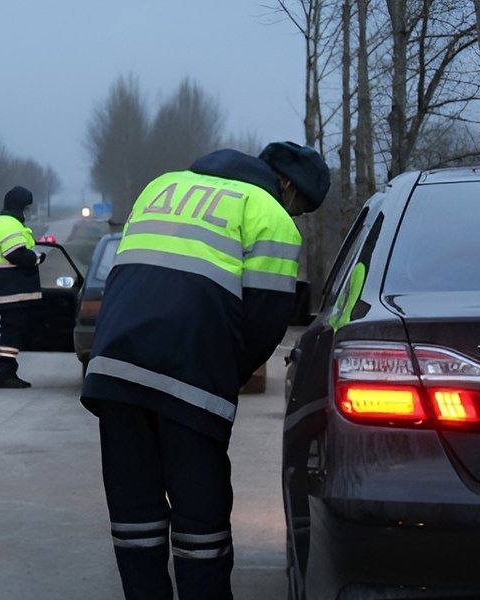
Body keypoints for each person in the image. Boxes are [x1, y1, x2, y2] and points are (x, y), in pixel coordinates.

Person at [80, 142, 330, 599]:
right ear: (287, 186)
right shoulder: (268, 214)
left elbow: (134, 278)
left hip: (113, 366)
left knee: (134, 511)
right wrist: (220, 376)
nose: (296, 217)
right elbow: (264, 322)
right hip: (191, 376)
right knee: (201, 518)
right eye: (301, 208)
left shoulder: (163, 186)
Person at [0, 185, 45, 389]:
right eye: (26, 208)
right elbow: (16, 254)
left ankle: (7, 372)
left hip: (10, 290)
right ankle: (5, 374)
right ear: (19, 206)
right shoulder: (8, 225)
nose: (27, 212)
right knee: (11, 332)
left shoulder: (5, 223)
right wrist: (37, 258)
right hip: (11, 290)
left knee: (12, 331)